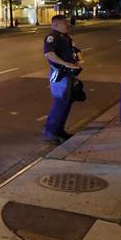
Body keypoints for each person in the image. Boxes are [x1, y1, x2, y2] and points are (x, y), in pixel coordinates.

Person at [42, 15, 82, 144]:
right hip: (60, 75)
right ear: (56, 25)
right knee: (60, 104)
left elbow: (74, 51)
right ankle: (51, 133)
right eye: (65, 24)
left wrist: (76, 60)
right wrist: (65, 64)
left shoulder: (66, 38)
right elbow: (49, 54)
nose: (67, 25)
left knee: (66, 103)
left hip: (69, 74)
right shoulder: (52, 38)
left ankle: (59, 130)